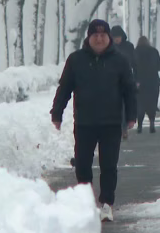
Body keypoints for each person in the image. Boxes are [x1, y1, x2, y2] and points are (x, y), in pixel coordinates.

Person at [51, 19, 136, 222]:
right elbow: (64, 88)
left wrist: (131, 115)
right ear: (88, 38)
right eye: (95, 35)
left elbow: (129, 90)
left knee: (109, 165)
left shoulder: (120, 61)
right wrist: (57, 113)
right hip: (84, 122)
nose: (99, 39)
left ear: (109, 38)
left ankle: (107, 203)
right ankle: (86, 200)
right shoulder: (76, 60)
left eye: (103, 35)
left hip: (111, 123)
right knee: (82, 164)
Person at [110, 25, 136, 139]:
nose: (117, 39)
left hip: (126, 78)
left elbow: (135, 62)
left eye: (118, 37)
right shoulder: (109, 47)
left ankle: (124, 128)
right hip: (112, 79)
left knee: (125, 104)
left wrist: (136, 77)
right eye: (114, 37)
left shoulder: (129, 46)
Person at [134, 35, 160, 134]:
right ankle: (152, 124)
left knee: (140, 103)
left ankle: (140, 126)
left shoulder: (135, 52)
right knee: (152, 103)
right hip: (153, 81)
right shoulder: (154, 51)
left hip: (140, 82)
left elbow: (132, 66)